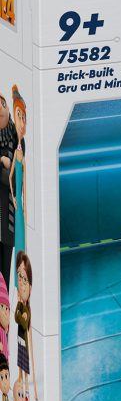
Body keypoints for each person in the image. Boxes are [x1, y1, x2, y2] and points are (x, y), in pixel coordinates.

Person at [9, 86, 26, 289]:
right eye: (18, 116)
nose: (21, 122)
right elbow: (11, 175)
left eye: (23, 117)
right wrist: (13, 196)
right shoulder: (17, 151)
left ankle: (22, 276)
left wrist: (24, 203)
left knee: (22, 238)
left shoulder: (23, 152)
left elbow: (25, 183)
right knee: (18, 236)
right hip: (17, 203)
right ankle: (17, 279)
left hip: (21, 204)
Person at [15, 252, 37, 401]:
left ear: (30, 286)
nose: (22, 284)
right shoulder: (20, 306)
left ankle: (27, 387)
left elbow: (23, 322)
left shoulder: (27, 310)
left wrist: (21, 316)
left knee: (25, 362)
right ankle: (20, 378)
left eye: (25, 279)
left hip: (24, 342)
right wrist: (18, 306)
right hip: (19, 339)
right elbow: (17, 318)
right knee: (19, 362)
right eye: (19, 277)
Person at [0, 92, 16, 292]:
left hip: (8, 224)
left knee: (5, 277)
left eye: (3, 104)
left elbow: (14, 181)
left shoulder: (16, 140)